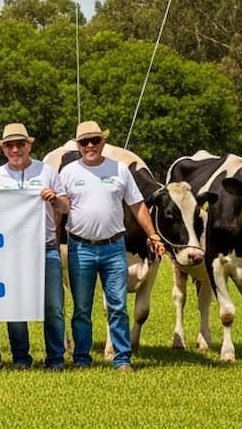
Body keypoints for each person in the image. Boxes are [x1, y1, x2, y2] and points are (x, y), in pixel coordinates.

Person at [61, 120, 165, 372]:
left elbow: (137, 206)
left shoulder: (119, 170)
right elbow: (62, 209)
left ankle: (121, 358)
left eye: (94, 140)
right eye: (84, 142)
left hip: (113, 247)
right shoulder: (68, 172)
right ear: (78, 145)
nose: (89, 146)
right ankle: (82, 357)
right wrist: (55, 208)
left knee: (117, 305)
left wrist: (153, 235)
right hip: (80, 247)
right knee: (82, 307)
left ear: (103, 142)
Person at [0, 122, 68, 369]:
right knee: (16, 306)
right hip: (10, 251)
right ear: (3, 149)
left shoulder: (47, 171)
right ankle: (21, 358)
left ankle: (55, 358)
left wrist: (54, 199)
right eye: (9, 145)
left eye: (20, 144)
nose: (15, 149)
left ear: (29, 145)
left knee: (53, 306)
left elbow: (66, 206)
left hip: (45, 247)